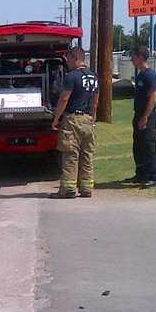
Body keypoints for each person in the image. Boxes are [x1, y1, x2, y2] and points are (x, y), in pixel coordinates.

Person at [51, 46, 99, 198]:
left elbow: (64, 98)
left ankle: (68, 189)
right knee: (87, 155)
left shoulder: (71, 76)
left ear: (74, 58)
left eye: (68, 59)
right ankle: (86, 188)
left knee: (70, 154)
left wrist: (56, 118)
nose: (67, 62)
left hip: (73, 120)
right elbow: (95, 102)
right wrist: (92, 119)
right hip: (88, 119)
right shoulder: (94, 76)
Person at [129, 46, 156, 188]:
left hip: (147, 115)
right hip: (138, 114)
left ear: (141, 57)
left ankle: (154, 176)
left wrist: (145, 117)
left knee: (148, 146)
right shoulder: (140, 75)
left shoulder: (150, 75)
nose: (131, 59)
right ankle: (141, 174)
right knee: (138, 145)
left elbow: (153, 98)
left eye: (134, 57)